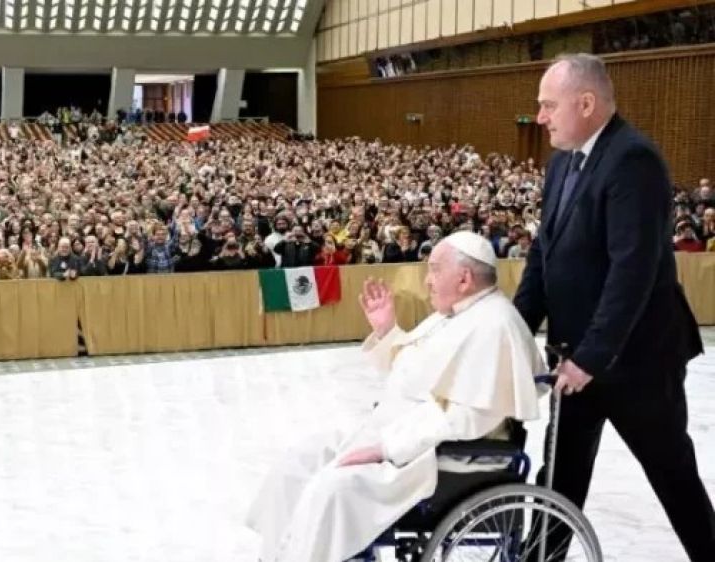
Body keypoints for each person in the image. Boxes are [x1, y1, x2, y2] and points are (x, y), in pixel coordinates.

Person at [513, 53, 714, 561]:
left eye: (548, 105)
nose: (540, 117)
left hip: (636, 365)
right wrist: (512, 332)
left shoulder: (633, 159)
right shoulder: (562, 161)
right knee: (558, 482)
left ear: (586, 102)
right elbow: (546, 254)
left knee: (673, 479)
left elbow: (633, 272)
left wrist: (591, 357)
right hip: (575, 361)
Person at [246, 231, 545, 562]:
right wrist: (387, 331)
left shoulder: (495, 324)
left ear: (464, 278)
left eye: (434, 269)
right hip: (403, 438)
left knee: (331, 489)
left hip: (436, 457)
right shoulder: (454, 315)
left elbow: (465, 417)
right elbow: (413, 376)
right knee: (298, 463)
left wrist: (385, 448)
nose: (427, 280)